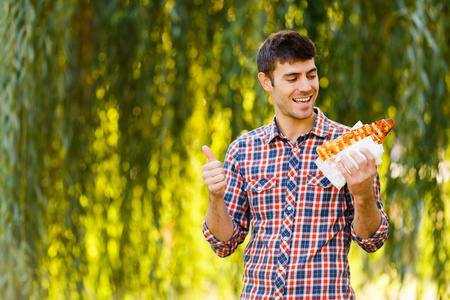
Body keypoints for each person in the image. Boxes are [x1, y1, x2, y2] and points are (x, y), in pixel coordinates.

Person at [201, 30, 389, 299]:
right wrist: (216, 197)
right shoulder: (243, 150)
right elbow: (223, 244)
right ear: (266, 82)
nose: (306, 87)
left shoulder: (350, 145)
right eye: (292, 78)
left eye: (311, 75)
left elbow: (373, 240)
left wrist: (363, 194)